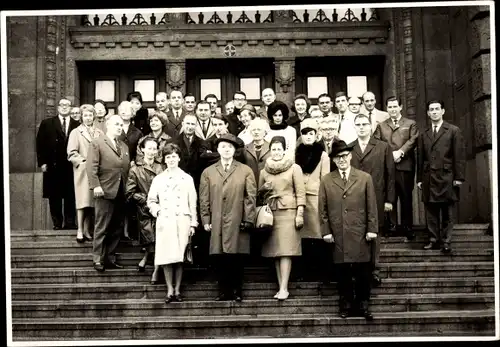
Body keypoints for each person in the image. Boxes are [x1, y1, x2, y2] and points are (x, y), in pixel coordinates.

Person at [319, 140, 378, 320]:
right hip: (338, 233)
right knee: (342, 271)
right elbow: (322, 209)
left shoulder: (364, 178)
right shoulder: (327, 180)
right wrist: (326, 231)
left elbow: (372, 206)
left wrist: (372, 228)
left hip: (360, 232)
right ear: (334, 160)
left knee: (362, 271)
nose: (342, 160)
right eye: (338, 157)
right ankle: (345, 304)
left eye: (345, 156)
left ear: (351, 156)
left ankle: (363, 304)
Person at [199, 133, 256, 302]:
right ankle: (223, 291)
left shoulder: (245, 170)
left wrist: (248, 219)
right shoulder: (208, 172)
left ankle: (237, 290)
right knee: (220, 257)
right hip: (216, 219)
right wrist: (206, 219)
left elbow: (250, 196)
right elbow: (204, 198)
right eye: (223, 146)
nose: (226, 150)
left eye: (230, 147)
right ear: (217, 149)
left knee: (236, 256)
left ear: (235, 150)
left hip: (238, 219)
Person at [348, 113, 395, 287]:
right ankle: (358, 270)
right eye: (358, 124)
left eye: (364, 124)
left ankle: (374, 271)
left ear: (371, 126)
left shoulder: (383, 147)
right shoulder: (349, 148)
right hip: (354, 200)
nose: (361, 127)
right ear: (354, 127)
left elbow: (390, 175)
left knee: (375, 235)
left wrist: (389, 200)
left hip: (377, 198)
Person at [148, 143, 198, 303]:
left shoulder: (187, 178)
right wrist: (158, 211)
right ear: (164, 159)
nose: (171, 160)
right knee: (166, 256)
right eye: (168, 157)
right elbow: (151, 200)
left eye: (174, 157)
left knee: (179, 256)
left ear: (179, 158)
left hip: (182, 220)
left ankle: (178, 290)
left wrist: (193, 224)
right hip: (166, 222)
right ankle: (169, 290)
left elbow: (193, 203)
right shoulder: (159, 179)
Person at [259, 136, 306, 300]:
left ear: (284, 150)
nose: (276, 152)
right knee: (276, 252)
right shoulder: (264, 171)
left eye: (279, 149)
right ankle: (281, 287)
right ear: (269, 151)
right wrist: (263, 188)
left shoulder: (294, 168)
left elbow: (300, 192)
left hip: (289, 212)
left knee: (286, 251)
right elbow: (259, 196)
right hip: (271, 214)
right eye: (273, 149)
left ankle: (284, 287)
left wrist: (300, 213)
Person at [417, 100, 465, 253]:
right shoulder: (423, 134)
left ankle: (446, 241)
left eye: (437, 109)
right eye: (431, 109)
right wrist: (419, 179)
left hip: (447, 177)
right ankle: (433, 239)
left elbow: (459, 155)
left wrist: (459, 177)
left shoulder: (453, 130)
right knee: (430, 212)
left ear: (443, 111)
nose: (434, 112)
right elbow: (420, 158)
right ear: (428, 113)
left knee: (447, 212)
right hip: (428, 177)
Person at [86, 114, 130, 272]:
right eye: (116, 124)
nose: (119, 127)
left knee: (117, 227)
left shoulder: (124, 146)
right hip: (104, 191)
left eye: (121, 125)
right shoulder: (97, 143)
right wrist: (96, 186)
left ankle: (110, 258)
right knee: (102, 226)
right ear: (108, 125)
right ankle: (97, 258)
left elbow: (125, 169)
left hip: (121, 191)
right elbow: (91, 167)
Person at [374, 96, 419, 239]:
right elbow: (377, 143)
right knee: (389, 198)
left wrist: (401, 152)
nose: (392, 109)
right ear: (387, 109)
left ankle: (407, 227)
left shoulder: (410, 124)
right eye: (390, 107)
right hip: (387, 167)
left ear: (400, 107)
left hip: (405, 167)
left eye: (395, 106)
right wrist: (389, 155)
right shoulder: (381, 125)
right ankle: (391, 227)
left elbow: (413, 140)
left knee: (406, 198)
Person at [294, 119, 330, 282]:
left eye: (311, 133)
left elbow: (325, 179)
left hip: (315, 199)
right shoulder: (296, 152)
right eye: (304, 133)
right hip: (299, 199)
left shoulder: (323, 155)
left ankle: (319, 272)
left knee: (317, 235)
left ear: (316, 135)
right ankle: (303, 272)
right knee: (301, 237)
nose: (307, 136)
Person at [36, 97, 79, 230]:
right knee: (54, 196)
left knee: (70, 195)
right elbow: (40, 144)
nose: (64, 107)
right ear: (58, 107)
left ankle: (70, 223)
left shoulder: (77, 125)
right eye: (62, 105)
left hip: (70, 166)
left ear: (71, 108)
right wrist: (42, 163)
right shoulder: (47, 123)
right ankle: (57, 223)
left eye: (67, 105)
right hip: (52, 165)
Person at [126, 137, 164, 280]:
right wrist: (146, 200)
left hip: (161, 208)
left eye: (155, 149)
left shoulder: (162, 167)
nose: (152, 152)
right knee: (151, 237)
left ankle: (152, 264)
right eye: (149, 148)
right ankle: (155, 267)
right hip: (144, 210)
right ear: (142, 149)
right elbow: (130, 193)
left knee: (160, 237)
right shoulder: (135, 169)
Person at [67, 104, 105, 242]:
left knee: (93, 202)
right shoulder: (76, 132)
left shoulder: (100, 133)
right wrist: (83, 162)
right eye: (85, 115)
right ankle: (79, 230)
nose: (88, 118)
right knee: (82, 201)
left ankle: (88, 230)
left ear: (94, 116)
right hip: (82, 171)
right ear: (81, 117)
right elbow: (71, 153)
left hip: (96, 171)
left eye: (90, 115)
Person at [166, 114, 205, 190]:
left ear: (196, 125)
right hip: (176, 183)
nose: (190, 127)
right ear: (183, 123)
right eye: (187, 123)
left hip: (196, 184)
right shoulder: (172, 142)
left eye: (192, 124)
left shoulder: (202, 143)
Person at [243, 118, 271, 184]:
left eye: (259, 129)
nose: (256, 132)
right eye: (253, 130)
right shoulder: (245, 148)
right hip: (250, 183)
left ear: (265, 132)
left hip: (267, 183)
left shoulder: (271, 147)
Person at [117, 101, 143, 165]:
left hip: (132, 165)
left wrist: (134, 161)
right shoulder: (113, 130)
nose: (124, 112)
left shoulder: (138, 133)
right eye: (122, 110)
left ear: (132, 113)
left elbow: (140, 151)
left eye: (127, 110)